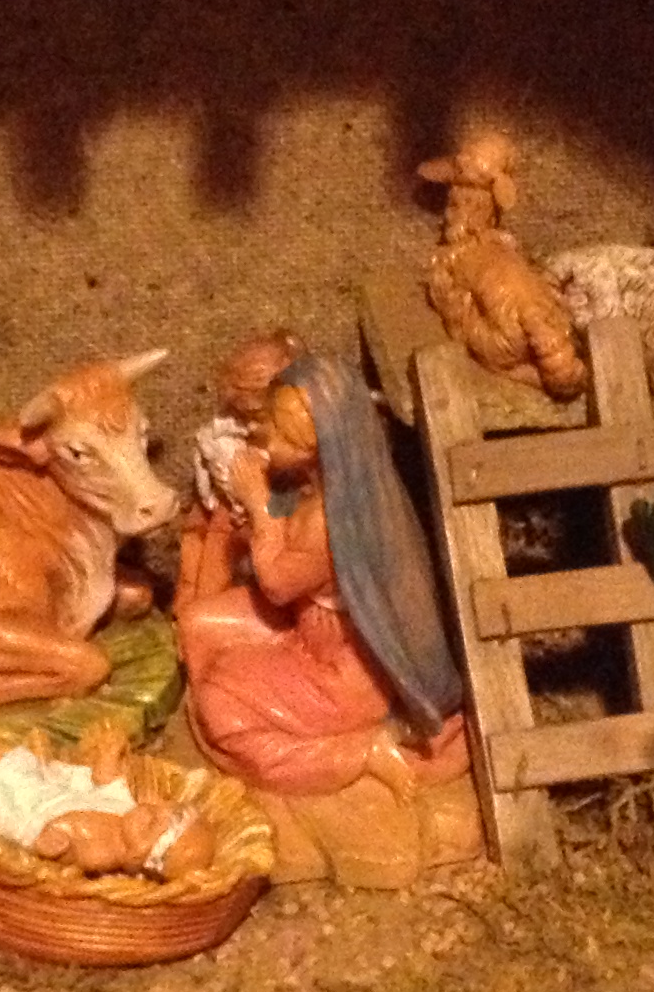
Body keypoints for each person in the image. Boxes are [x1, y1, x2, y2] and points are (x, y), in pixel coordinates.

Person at [173, 339, 468, 799]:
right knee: (197, 625)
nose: (265, 439)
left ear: (319, 446)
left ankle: (359, 752)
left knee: (219, 702)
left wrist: (259, 504)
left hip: (346, 669)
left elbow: (276, 584)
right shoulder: (318, 489)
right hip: (307, 628)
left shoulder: (335, 517)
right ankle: (259, 720)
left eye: (280, 434)